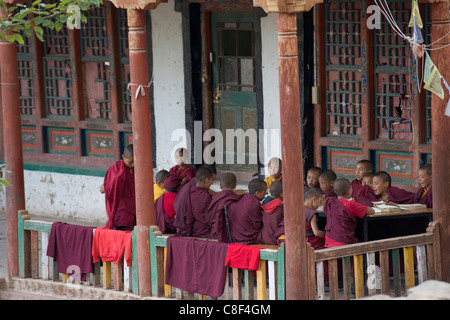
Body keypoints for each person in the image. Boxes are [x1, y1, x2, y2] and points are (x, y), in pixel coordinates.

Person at [324, 178, 375, 248]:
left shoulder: (330, 202)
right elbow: (372, 211)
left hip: (329, 241)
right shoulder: (351, 204)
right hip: (344, 242)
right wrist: (355, 204)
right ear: (349, 191)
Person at [220, 178, 267, 244]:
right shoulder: (254, 202)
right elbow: (257, 224)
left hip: (234, 237)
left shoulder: (244, 197)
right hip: (246, 238)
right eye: (264, 192)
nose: (265, 195)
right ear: (257, 193)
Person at [173, 167, 214, 237]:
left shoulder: (189, 190)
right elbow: (207, 217)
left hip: (185, 227)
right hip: (201, 231)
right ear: (206, 180)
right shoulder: (203, 195)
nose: (212, 183)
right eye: (212, 180)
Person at [103, 144, 136, 231]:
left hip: (135, 212)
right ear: (123, 157)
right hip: (121, 213)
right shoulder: (117, 171)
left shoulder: (138, 168)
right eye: (131, 162)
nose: (133, 165)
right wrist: (107, 186)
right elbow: (105, 188)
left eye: (135, 162)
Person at [209, 173, 243, 239]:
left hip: (214, 232)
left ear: (220, 186)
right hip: (231, 234)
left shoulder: (214, 198)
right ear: (235, 186)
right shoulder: (236, 199)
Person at [257, 180, 284, 245]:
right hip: (275, 240)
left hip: (263, 239)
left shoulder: (264, 204)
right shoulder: (281, 206)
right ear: (282, 194)